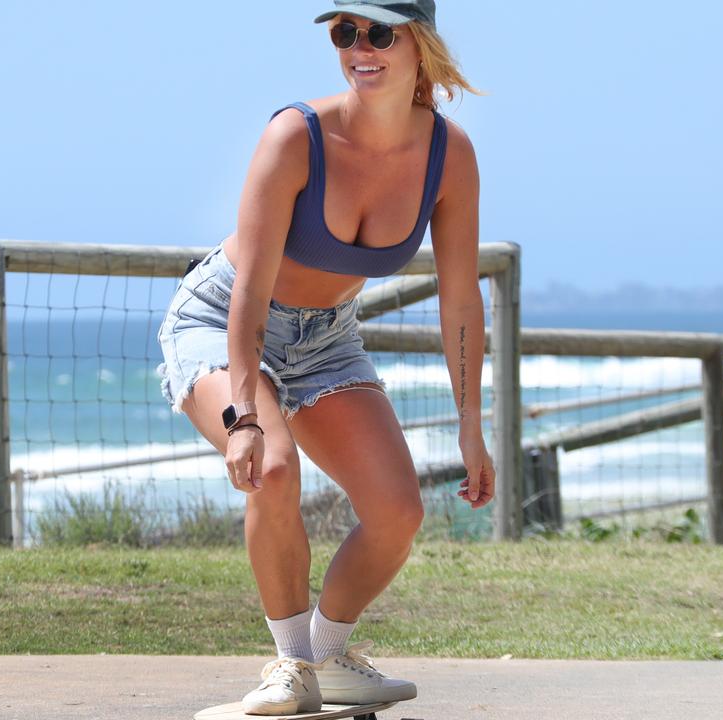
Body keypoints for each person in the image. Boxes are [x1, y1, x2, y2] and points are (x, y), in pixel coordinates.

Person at [155, 0, 495, 714]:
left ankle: (326, 654)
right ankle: (290, 667)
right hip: (222, 318)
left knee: (398, 511)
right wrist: (244, 413)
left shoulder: (448, 156)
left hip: (327, 337)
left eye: (379, 32)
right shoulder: (296, 136)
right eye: (346, 32)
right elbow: (248, 289)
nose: (360, 47)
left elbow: (460, 299)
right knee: (271, 466)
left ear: (420, 45)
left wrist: (471, 421)